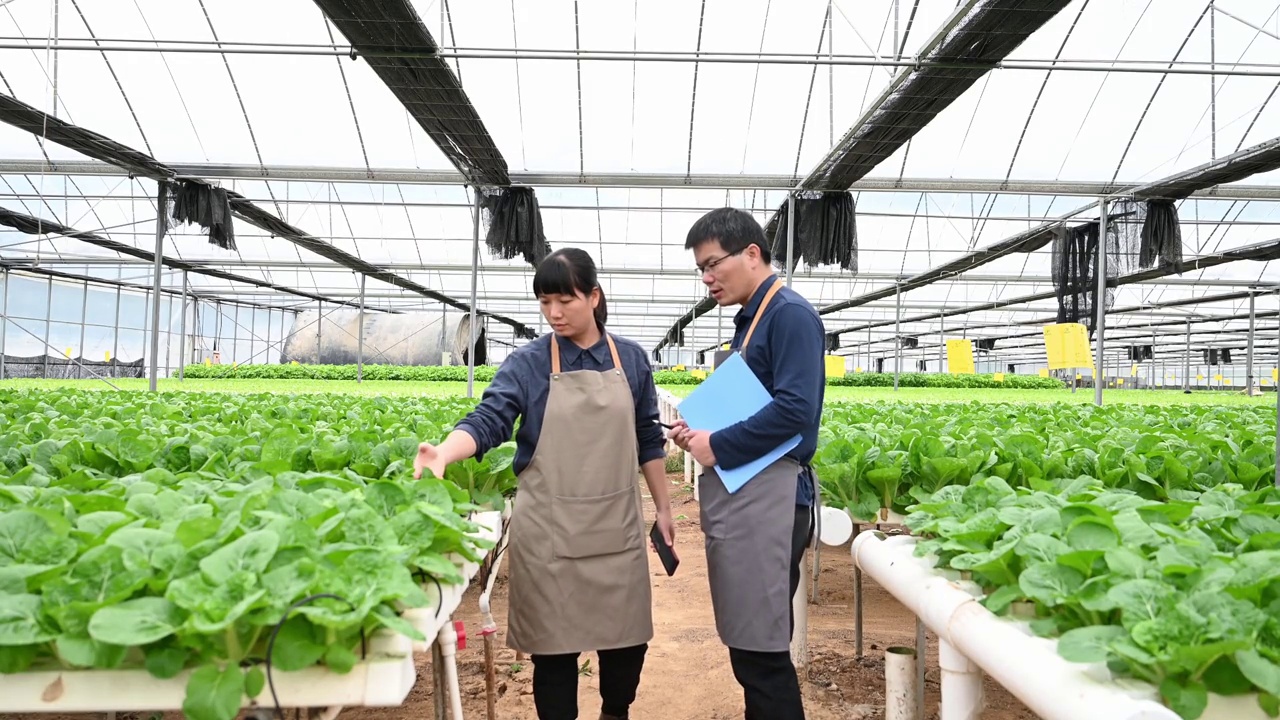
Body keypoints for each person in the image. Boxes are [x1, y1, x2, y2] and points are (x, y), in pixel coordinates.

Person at [413, 247, 676, 720]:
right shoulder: (530, 363)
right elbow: (490, 418)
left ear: (593, 297)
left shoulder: (631, 360)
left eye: (565, 300)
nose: (553, 313)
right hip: (548, 535)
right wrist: (444, 453)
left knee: (627, 646)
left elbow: (647, 439)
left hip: (615, 529)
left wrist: (665, 509)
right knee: (553, 657)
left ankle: (616, 711)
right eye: (544, 302)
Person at [668, 207, 825, 720]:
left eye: (713, 264)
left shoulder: (790, 315)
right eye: (701, 269)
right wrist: (699, 433)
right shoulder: (753, 319)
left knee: (761, 653)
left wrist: (722, 446)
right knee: (750, 648)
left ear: (752, 254)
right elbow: (755, 404)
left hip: (773, 503)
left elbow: (797, 412)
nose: (707, 278)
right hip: (752, 498)